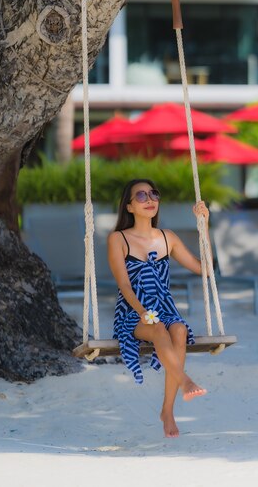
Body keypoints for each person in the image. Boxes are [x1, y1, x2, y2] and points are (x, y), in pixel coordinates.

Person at [107, 178, 208, 438]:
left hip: (164, 309)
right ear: (129, 207)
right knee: (159, 328)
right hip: (133, 311)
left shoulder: (168, 238)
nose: (149, 199)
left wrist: (203, 226)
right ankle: (185, 380)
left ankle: (168, 410)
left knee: (179, 330)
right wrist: (142, 312)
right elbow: (124, 286)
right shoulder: (118, 239)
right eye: (141, 196)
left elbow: (204, 270)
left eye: (153, 193)